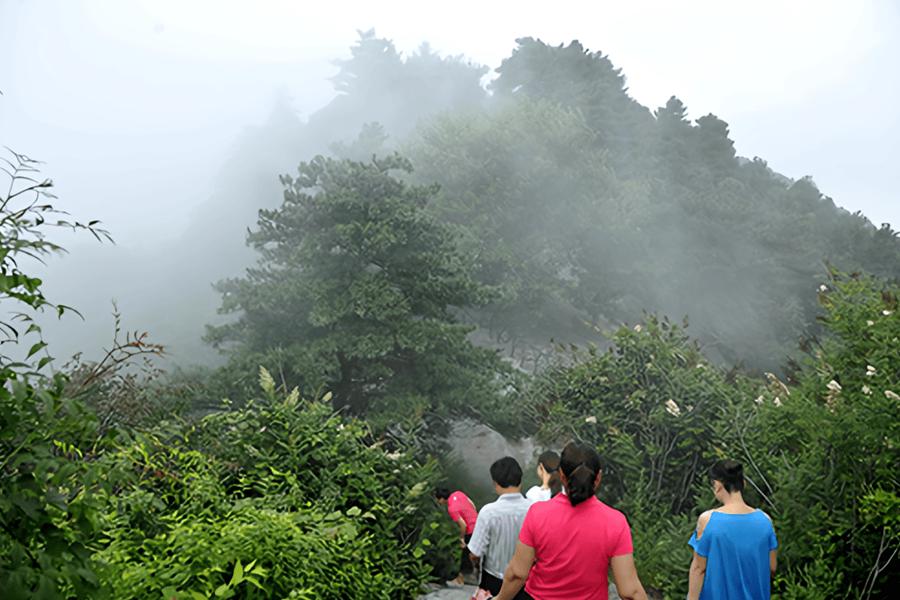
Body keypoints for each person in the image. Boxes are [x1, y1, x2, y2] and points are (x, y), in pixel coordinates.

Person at [495, 442, 647, 600]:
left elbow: (517, 574)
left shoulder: (538, 513)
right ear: (598, 477)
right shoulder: (615, 522)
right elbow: (630, 591)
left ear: (561, 475)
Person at [688, 460, 778, 600]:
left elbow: (699, 569)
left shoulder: (708, 520)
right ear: (743, 483)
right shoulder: (765, 520)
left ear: (717, 485)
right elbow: (772, 567)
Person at [467, 457, 532, 599]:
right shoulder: (534, 509)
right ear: (520, 481)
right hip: (527, 583)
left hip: (494, 582)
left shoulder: (488, 512)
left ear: (495, 483)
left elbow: (475, 553)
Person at [434, 486, 478, 587]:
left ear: (442, 499)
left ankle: (462, 578)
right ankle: (468, 576)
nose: (438, 502)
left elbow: (463, 525)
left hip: (471, 529)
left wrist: (462, 538)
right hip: (479, 523)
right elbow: (471, 503)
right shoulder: (458, 493)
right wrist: (473, 516)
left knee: (465, 553)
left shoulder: (452, 509)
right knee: (473, 552)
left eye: (438, 499)